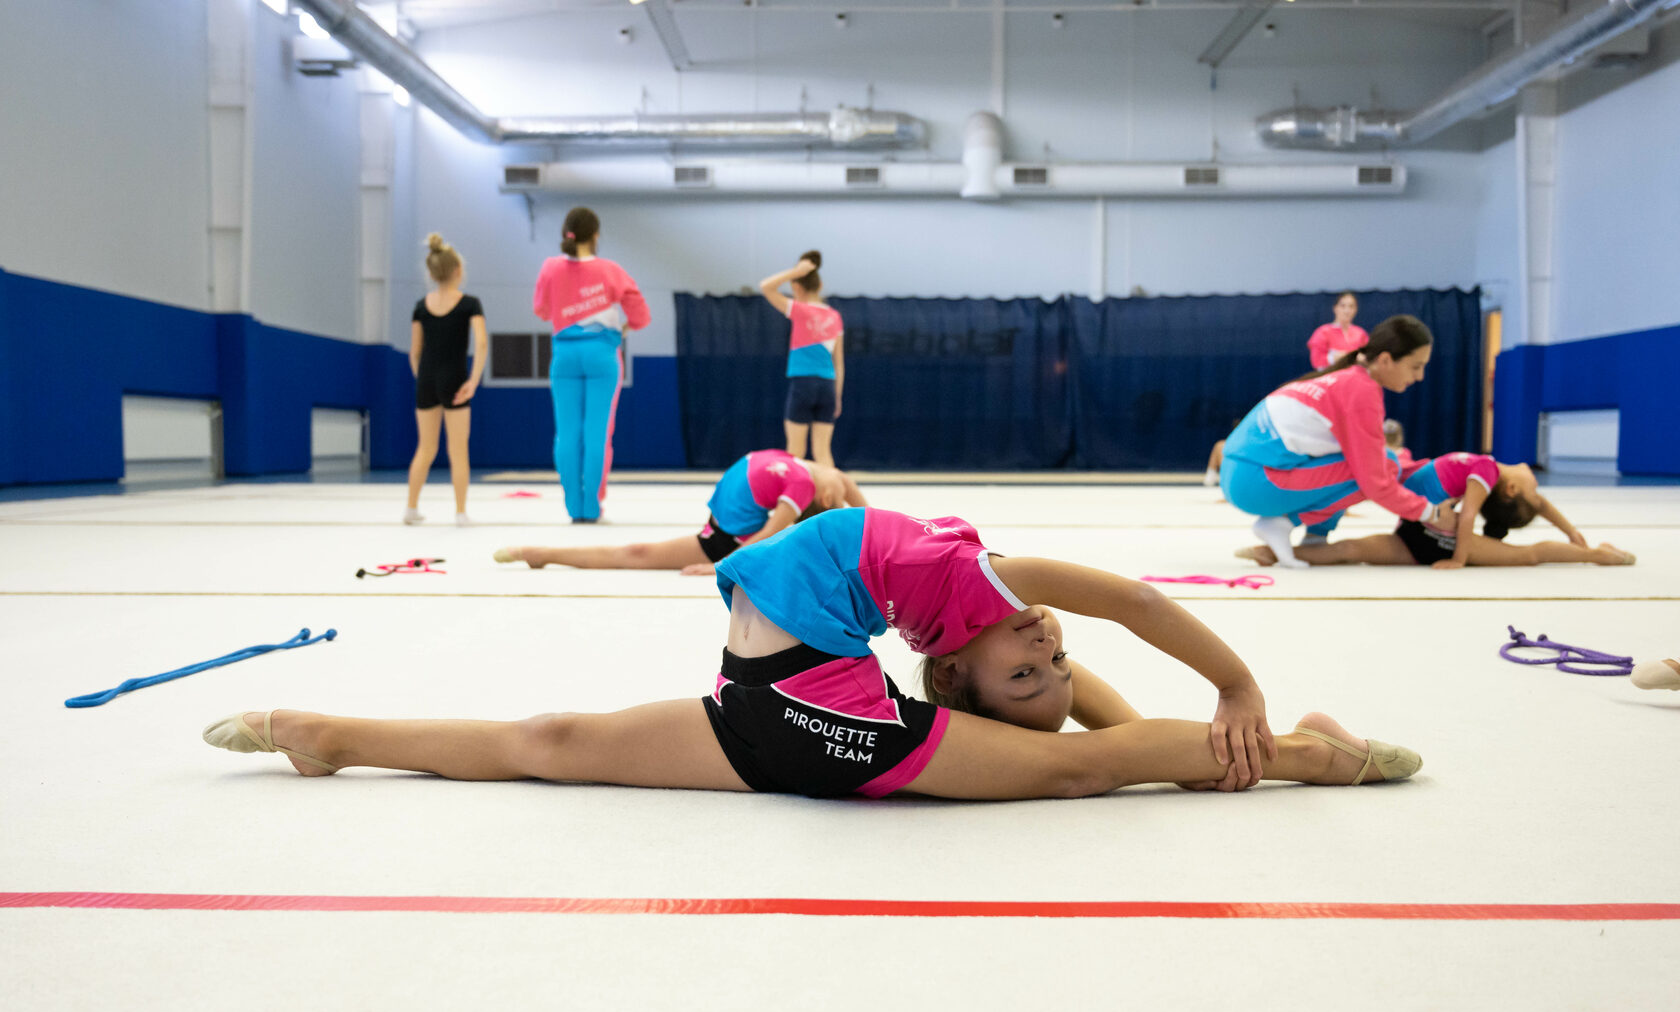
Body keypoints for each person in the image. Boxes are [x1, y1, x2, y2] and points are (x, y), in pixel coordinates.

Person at [203, 508, 1421, 798]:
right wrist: (1234, 677)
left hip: (807, 709)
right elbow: (1121, 603)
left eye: (1033, 671)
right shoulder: (970, 584)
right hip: (774, 697)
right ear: (956, 664)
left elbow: (1088, 672)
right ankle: (326, 732)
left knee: (1074, 764)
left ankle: (1321, 758)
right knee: (551, 738)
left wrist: (1245, 714)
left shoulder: (951, 614)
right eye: (1036, 657)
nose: (1046, 640)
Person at [1219, 315, 1455, 569]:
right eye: (1416, 366)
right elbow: (1376, 481)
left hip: (1240, 474)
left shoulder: (1345, 378)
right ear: (1386, 360)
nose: (1420, 377)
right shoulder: (1361, 392)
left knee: (1377, 461)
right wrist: (1431, 514)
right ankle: (1284, 523)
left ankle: (1314, 540)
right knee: (1384, 465)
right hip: (1255, 482)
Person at [492, 449, 867, 576]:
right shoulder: (806, 469)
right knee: (635, 553)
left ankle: (542, 554)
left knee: (636, 555)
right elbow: (847, 486)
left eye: (834, 503)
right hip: (720, 529)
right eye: (838, 498)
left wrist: (722, 564)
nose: (839, 497)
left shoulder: (803, 485)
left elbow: (770, 531)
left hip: (730, 542)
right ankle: (542, 554)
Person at [1236, 451, 1632, 569]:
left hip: (1420, 536)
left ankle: (1272, 551)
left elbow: (1472, 514)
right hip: (1436, 539)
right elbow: (1534, 504)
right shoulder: (1491, 472)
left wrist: (1458, 558)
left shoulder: (1486, 469)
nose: (1538, 483)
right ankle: (1596, 556)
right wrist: (1572, 536)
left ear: (1510, 489)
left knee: (1350, 551)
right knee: (1531, 554)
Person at [533, 206, 650, 524]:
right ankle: (592, 505)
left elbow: (541, 310)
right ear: (595, 235)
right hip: (602, 355)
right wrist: (621, 327)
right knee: (597, 433)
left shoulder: (551, 268)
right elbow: (641, 315)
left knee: (567, 433)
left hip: (564, 355)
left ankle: (573, 507)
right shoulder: (611, 270)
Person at [405, 234, 487, 527]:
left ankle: (411, 508)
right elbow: (481, 343)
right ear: (458, 271)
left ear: (431, 273)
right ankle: (461, 512)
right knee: (457, 449)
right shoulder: (469, 304)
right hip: (455, 379)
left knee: (425, 448)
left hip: (426, 378)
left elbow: (415, 351)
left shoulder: (420, 306)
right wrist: (474, 380)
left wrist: (421, 377)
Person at [759, 251, 844, 468]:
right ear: (820, 285)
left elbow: (766, 286)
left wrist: (796, 271)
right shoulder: (834, 316)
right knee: (823, 453)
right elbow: (839, 362)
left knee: (795, 452)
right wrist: (838, 396)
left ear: (796, 287)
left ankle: (796, 499)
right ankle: (832, 499)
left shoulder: (799, 309)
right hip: (827, 386)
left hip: (803, 384)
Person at [1308, 292, 1369, 372]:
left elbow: (1370, 359)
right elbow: (1316, 362)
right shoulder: (1323, 332)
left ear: (1356, 310)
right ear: (1335, 308)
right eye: (1343, 306)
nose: (1347, 311)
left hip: (1356, 379)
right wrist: (1335, 357)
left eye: (1351, 306)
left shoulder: (1361, 333)